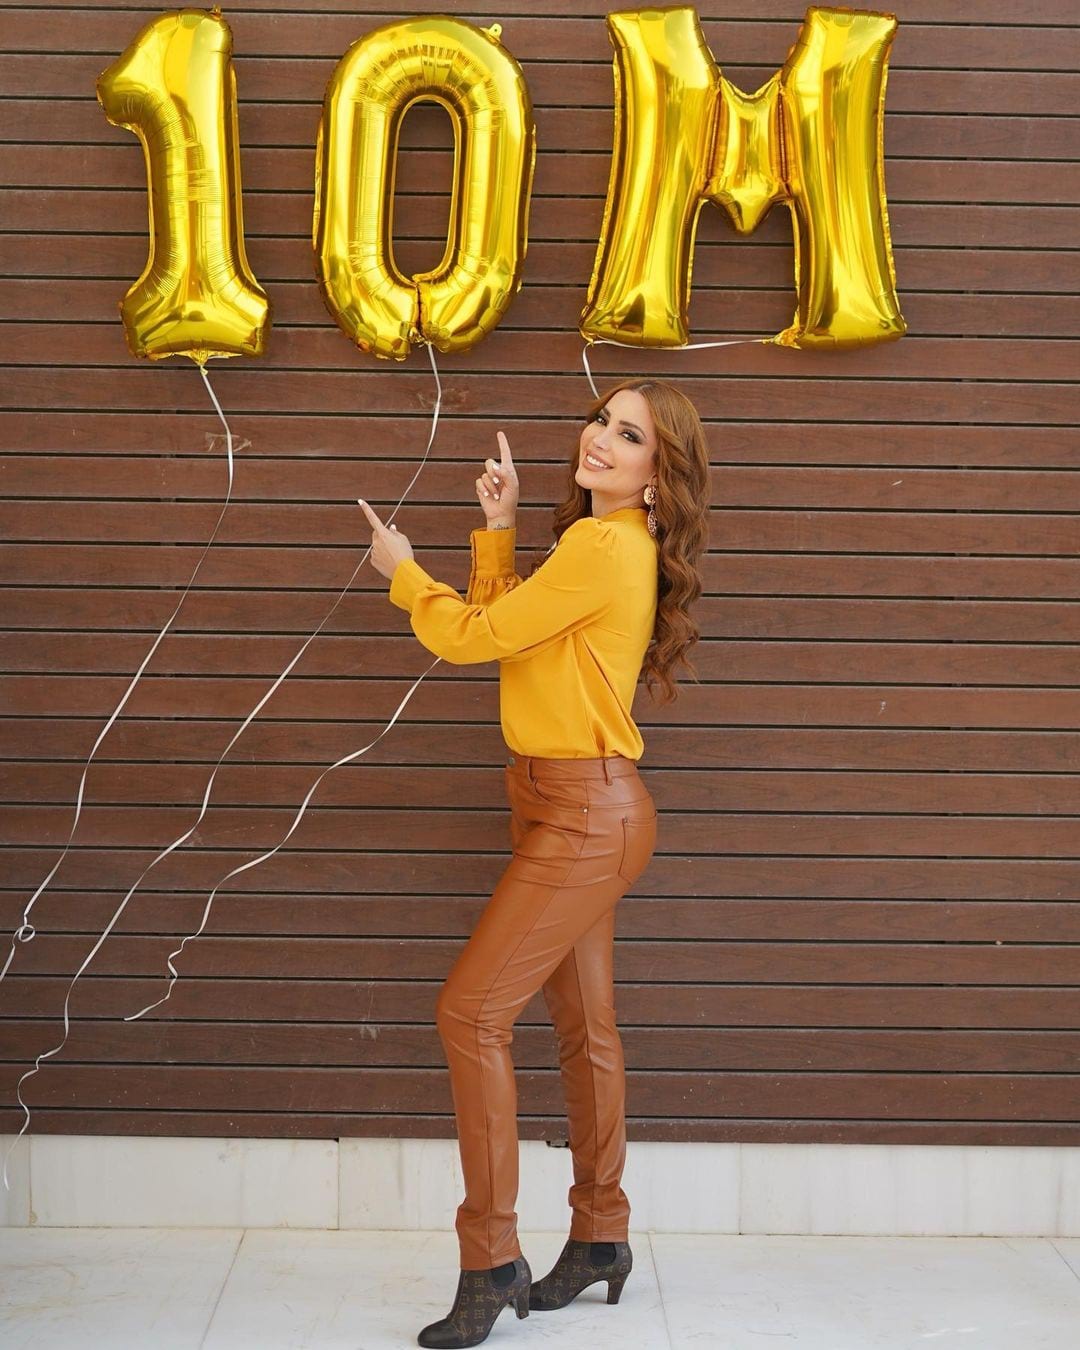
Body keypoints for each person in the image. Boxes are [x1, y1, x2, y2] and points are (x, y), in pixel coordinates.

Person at [357, 378, 710, 1348]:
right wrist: (501, 530)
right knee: (584, 1027)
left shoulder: (604, 548)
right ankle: (600, 1237)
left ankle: (490, 1259)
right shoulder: (605, 544)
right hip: (574, 807)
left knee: (471, 1015)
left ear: (657, 475)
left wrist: (403, 571)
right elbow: (517, 639)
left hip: (583, 816)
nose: (600, 439)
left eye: (629, 436)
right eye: (602, 420)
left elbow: (472, 640)